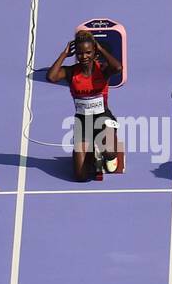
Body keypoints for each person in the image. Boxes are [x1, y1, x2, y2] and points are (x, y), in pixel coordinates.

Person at [46, 29, 125, 181]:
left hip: (103, 118)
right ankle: (90, 151)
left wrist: (100, 48)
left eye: (88, 52)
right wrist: (64, 55)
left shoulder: (102, 69)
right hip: (83, 122)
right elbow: (51, 77)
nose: (84, 56)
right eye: (80, 53)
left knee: (109, 152)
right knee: (81, 177)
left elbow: (118, 68)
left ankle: (108, 153)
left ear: (94, 52)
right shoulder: (71, 72)